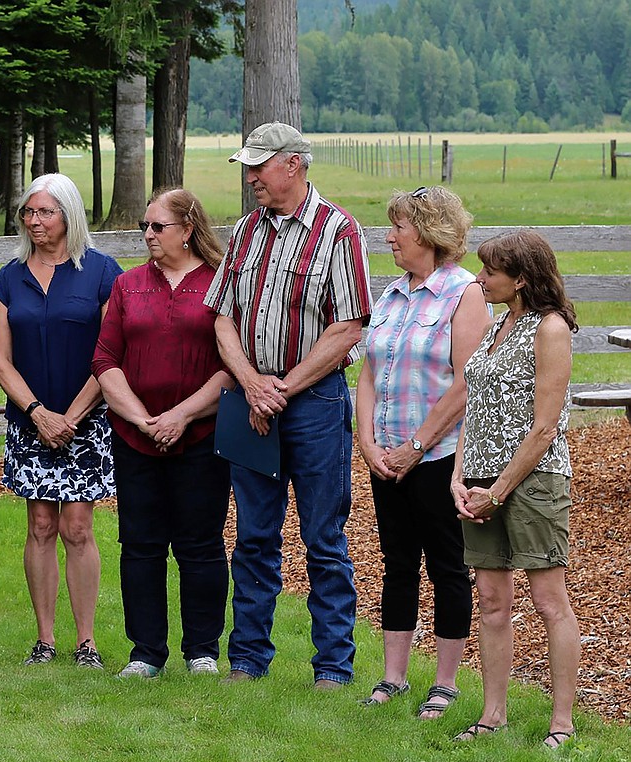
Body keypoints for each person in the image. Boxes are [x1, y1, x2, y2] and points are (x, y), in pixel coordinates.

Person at [204, 122, 373, 688]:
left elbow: (348, 327)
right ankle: (248, 659)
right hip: (252, 398)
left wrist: (280, 388)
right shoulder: (246, 230)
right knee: (253, 536)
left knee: (323, 538)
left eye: (259, 166)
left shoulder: (338, 230)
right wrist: (251, 383)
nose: (250, 176)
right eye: (247, 167)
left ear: (295, 164)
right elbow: (221, 316)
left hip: (315, 403)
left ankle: (333, 667)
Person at [354, 186, 492, 716]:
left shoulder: (464, 293)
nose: (389, 235)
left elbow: (464, 383)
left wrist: (415, 447)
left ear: (430, 233)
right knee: (396, 564)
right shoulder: (392, 294)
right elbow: (369, 370)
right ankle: (393, 678)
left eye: (400, 227)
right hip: (387, 458)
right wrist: (367, 442)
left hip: (438, 459)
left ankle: (446, 681)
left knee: (447, 568)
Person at [92, 188, 233, 679]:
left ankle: (202, 651)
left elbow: (232, 367)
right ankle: (145, 653)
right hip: (136, 440)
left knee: (201, 544)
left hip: (201, 437)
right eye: (144, 228)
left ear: (188, 230)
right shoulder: (128, 286)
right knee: (140, 545)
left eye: (158, 227)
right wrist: (140, 419)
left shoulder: (220, 284)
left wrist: (181, 417)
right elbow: (105, 360)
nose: (148, 235)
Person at [451, 230, 580, 749]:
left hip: (532, 481)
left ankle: (562, 724)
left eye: (489, 272)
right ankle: (492, 716)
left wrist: (498, 491)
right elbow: (474, 406)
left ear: (522, 278)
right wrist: (459, 477)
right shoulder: (498, 325)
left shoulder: (549, 328)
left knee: (550, 601)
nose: (479, 279)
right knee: (490, 600)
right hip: (482, 482)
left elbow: (545, 426)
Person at [0, 173, 122, 669]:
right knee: (41, 524)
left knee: (78, 527)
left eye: (44, 212)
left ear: (69, 215)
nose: (33, 220)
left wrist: (71, 415)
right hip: (30, 419)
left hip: (85, 419)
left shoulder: (103, 273)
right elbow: (2, 361)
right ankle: (44, 639)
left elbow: (111, 352)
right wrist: (39, 413)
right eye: (28, 212)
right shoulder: (9, 278)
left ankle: (85, 641)